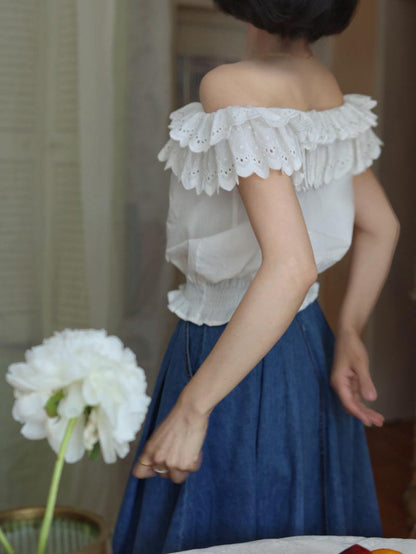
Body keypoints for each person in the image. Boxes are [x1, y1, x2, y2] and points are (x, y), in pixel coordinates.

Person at [112, 1, 401, 552]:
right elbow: (382, 227)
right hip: (305, 345)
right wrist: (349, 332)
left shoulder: (232, 85)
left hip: (233, 348)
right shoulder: (323, 85)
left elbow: (290, 267)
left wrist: (193, 411)